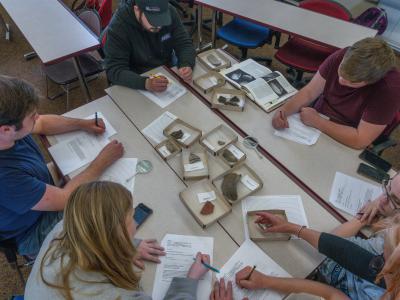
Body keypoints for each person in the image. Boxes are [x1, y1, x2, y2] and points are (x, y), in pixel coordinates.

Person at [0, 76, 124, 257]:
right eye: (31, 116)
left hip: (38, 192)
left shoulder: (9, 130)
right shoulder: (6, 177)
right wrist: (102, 161)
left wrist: (82, 124)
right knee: (104, 209)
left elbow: (42, 122)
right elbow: (64, 199)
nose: (37, 117)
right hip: (31, 231)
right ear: (6, 130)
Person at [25, 181, 211, 299]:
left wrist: (127, 245)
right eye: (131, 217)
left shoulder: (67, 226)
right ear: (117, 233)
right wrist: (191, 279)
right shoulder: (117, 296)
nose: (135, 223)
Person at [227, 212, 400, 300]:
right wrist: (292, 228)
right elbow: (331, 293)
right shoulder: (384, 260)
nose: (376, 258)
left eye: (383, 256)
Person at [272, 37, 400, 149]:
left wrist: (317, 122)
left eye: (352, 82)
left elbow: (360, 139)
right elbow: (310, 92)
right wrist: (283, 111)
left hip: (346, 133)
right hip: (316, 118)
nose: (341, 81)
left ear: (372, 81)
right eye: (341, 72)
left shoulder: (389, 88)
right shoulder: (344, 55)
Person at [103, 0, 196, 92]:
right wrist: (145, 83)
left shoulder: (170, 11)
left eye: (161, 18)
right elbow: (114, 69)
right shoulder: (119, 26)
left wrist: (186, 64)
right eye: (152, 19)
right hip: (136, 77)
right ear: (137, 10)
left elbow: (184, 43)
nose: (158, 25)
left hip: (166, 70)